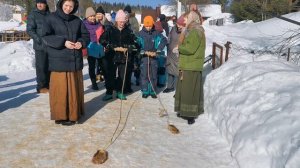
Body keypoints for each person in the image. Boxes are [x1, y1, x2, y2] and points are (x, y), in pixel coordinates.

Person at [42, 0, 89, 125]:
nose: (68, 8)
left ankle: (73, 115)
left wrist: (81, 43)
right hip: (58, 60)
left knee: (73, 90)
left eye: (71, 6)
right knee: (60, 90)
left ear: (74, 7)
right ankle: (60, 115)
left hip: (74, 60)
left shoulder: (77, 21)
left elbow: (85, 36)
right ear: (61, 4)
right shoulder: (51, 18)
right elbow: (46, 37)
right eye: (66, 5)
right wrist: (63, 42)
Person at [175, 11, 205, 125]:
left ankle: (190, 114)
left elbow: (190, 48)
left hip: (191, 66)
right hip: (188, 65)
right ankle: (183, 111)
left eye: (186, 18)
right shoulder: (191, 30)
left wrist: (180, 47)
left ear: (192, 18)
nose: (184, 20)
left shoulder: (196, 31)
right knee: (184, 90)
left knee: (190, 91)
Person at [100, 10, 137, 100]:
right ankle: (109, 92)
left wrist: (130, 47)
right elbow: (101, 40)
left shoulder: (128, 31)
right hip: (111, 56)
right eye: (120, 21)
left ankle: (120, 92)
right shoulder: (110, 30)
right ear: (116, 21)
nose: (122, 23)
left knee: (122, 75)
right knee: (110, 75)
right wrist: (109, 45)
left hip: (124, 57)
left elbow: (135, 43)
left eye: (124, 21)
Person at [136, 16, 167, 99]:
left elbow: (164, 40)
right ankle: (145, 90)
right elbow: (136, 43)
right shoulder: (140, 34)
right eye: (147, 26)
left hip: (154, 57)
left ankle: (153, 90)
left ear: (152, 25)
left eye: (150, 26)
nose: (148, 27)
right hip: (144, 57)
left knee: (153, 74)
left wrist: (159, 49)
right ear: (144, 25)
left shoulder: (156, 33)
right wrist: (140, 50)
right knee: (144, 74)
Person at [26, 0, 50, 93]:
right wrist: (39, 39)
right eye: (38, 2)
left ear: (45, 4)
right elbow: (30, 30)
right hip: (40, 45)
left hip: (50, 45)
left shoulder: (49, 14)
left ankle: (48, 84)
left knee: (50, 66)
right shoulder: (33, 14)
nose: (39, 4)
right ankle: (41, 86)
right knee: (41, 66)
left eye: (42, 2)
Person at [163, 15, 186, 93]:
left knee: (179, 72)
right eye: (178, 24)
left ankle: (180, 90)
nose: (179, 26)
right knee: (170, 70)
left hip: (179, 54)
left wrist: (180, 47)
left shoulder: (186, 31)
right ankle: (170, 87)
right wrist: (167, 42)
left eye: (181, 25)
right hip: (170, 54)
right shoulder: (173, 29)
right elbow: (169, 37)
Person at [83, 7, 104, 90]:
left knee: (102, 65)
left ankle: (103, 79)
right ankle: (93, 82)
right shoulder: (83, 24)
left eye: (93, 16)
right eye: (90, 16)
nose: (92, 18)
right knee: (92, 66)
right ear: (87, 17)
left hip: (98, 47)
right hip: (90, 47)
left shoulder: (99, 24)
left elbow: (102, 35)